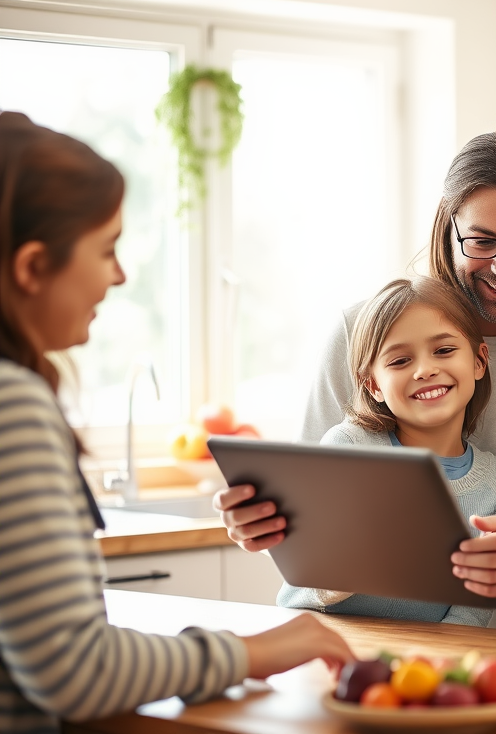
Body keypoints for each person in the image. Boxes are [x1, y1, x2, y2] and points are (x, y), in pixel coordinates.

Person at [0, 111, 355, 734]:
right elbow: (73, 668)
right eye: (106, 249)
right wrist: (258, 651)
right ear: (31, 267)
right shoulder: (14, 406)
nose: (120, 275)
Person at [215, 105, 496, 627]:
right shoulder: (359, 333)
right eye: (482, 241)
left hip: (482, 649)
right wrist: (263, 525)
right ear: (448, 223)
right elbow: (307, 505)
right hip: (344, 639)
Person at [277, 277, 496, 626]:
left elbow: (472, 611)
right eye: (400, 361)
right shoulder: (348, 449)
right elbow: (297, 592)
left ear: (479, 362)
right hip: (327, 647)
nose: (425, 370)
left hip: (424, 668)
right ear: (373, 385)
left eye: (443, 350)